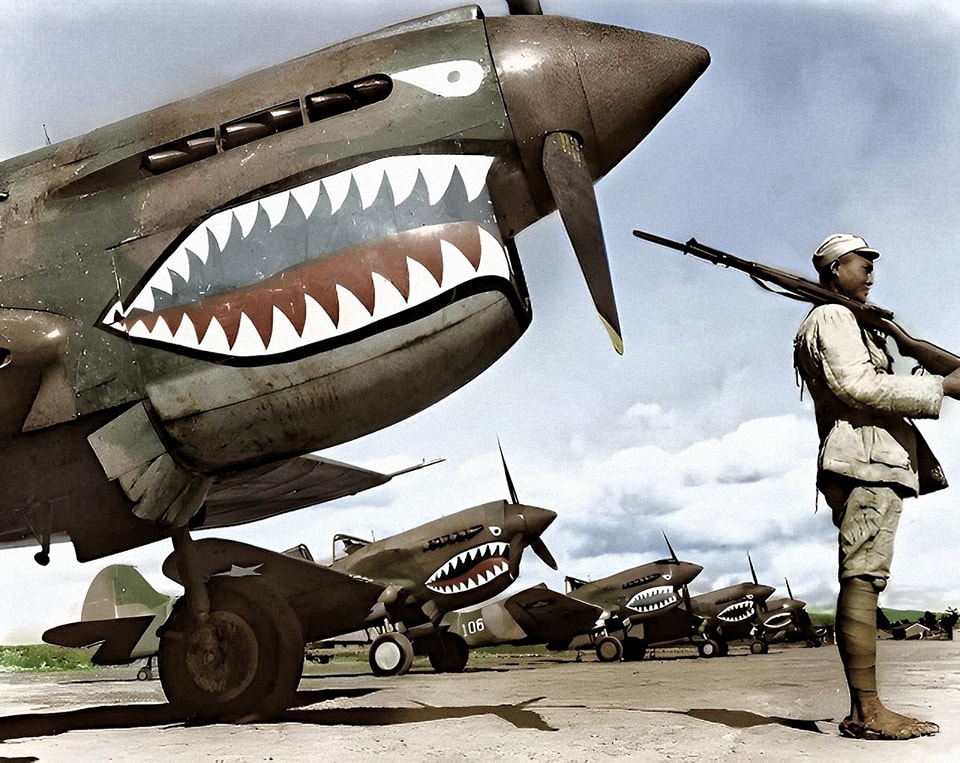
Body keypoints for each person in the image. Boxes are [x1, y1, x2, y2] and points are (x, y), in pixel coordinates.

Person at [793, 233, 960, 740]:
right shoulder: (832, 317)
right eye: (860, 264)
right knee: (862, 579)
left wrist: (906, 345)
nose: (870, 272)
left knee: (867, 577)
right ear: (833, 269)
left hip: (872, 461)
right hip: (863, 462)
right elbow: (856, 386)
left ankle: (867, 707)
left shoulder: (855, 320)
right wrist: (939, 387)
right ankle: (867, 712)